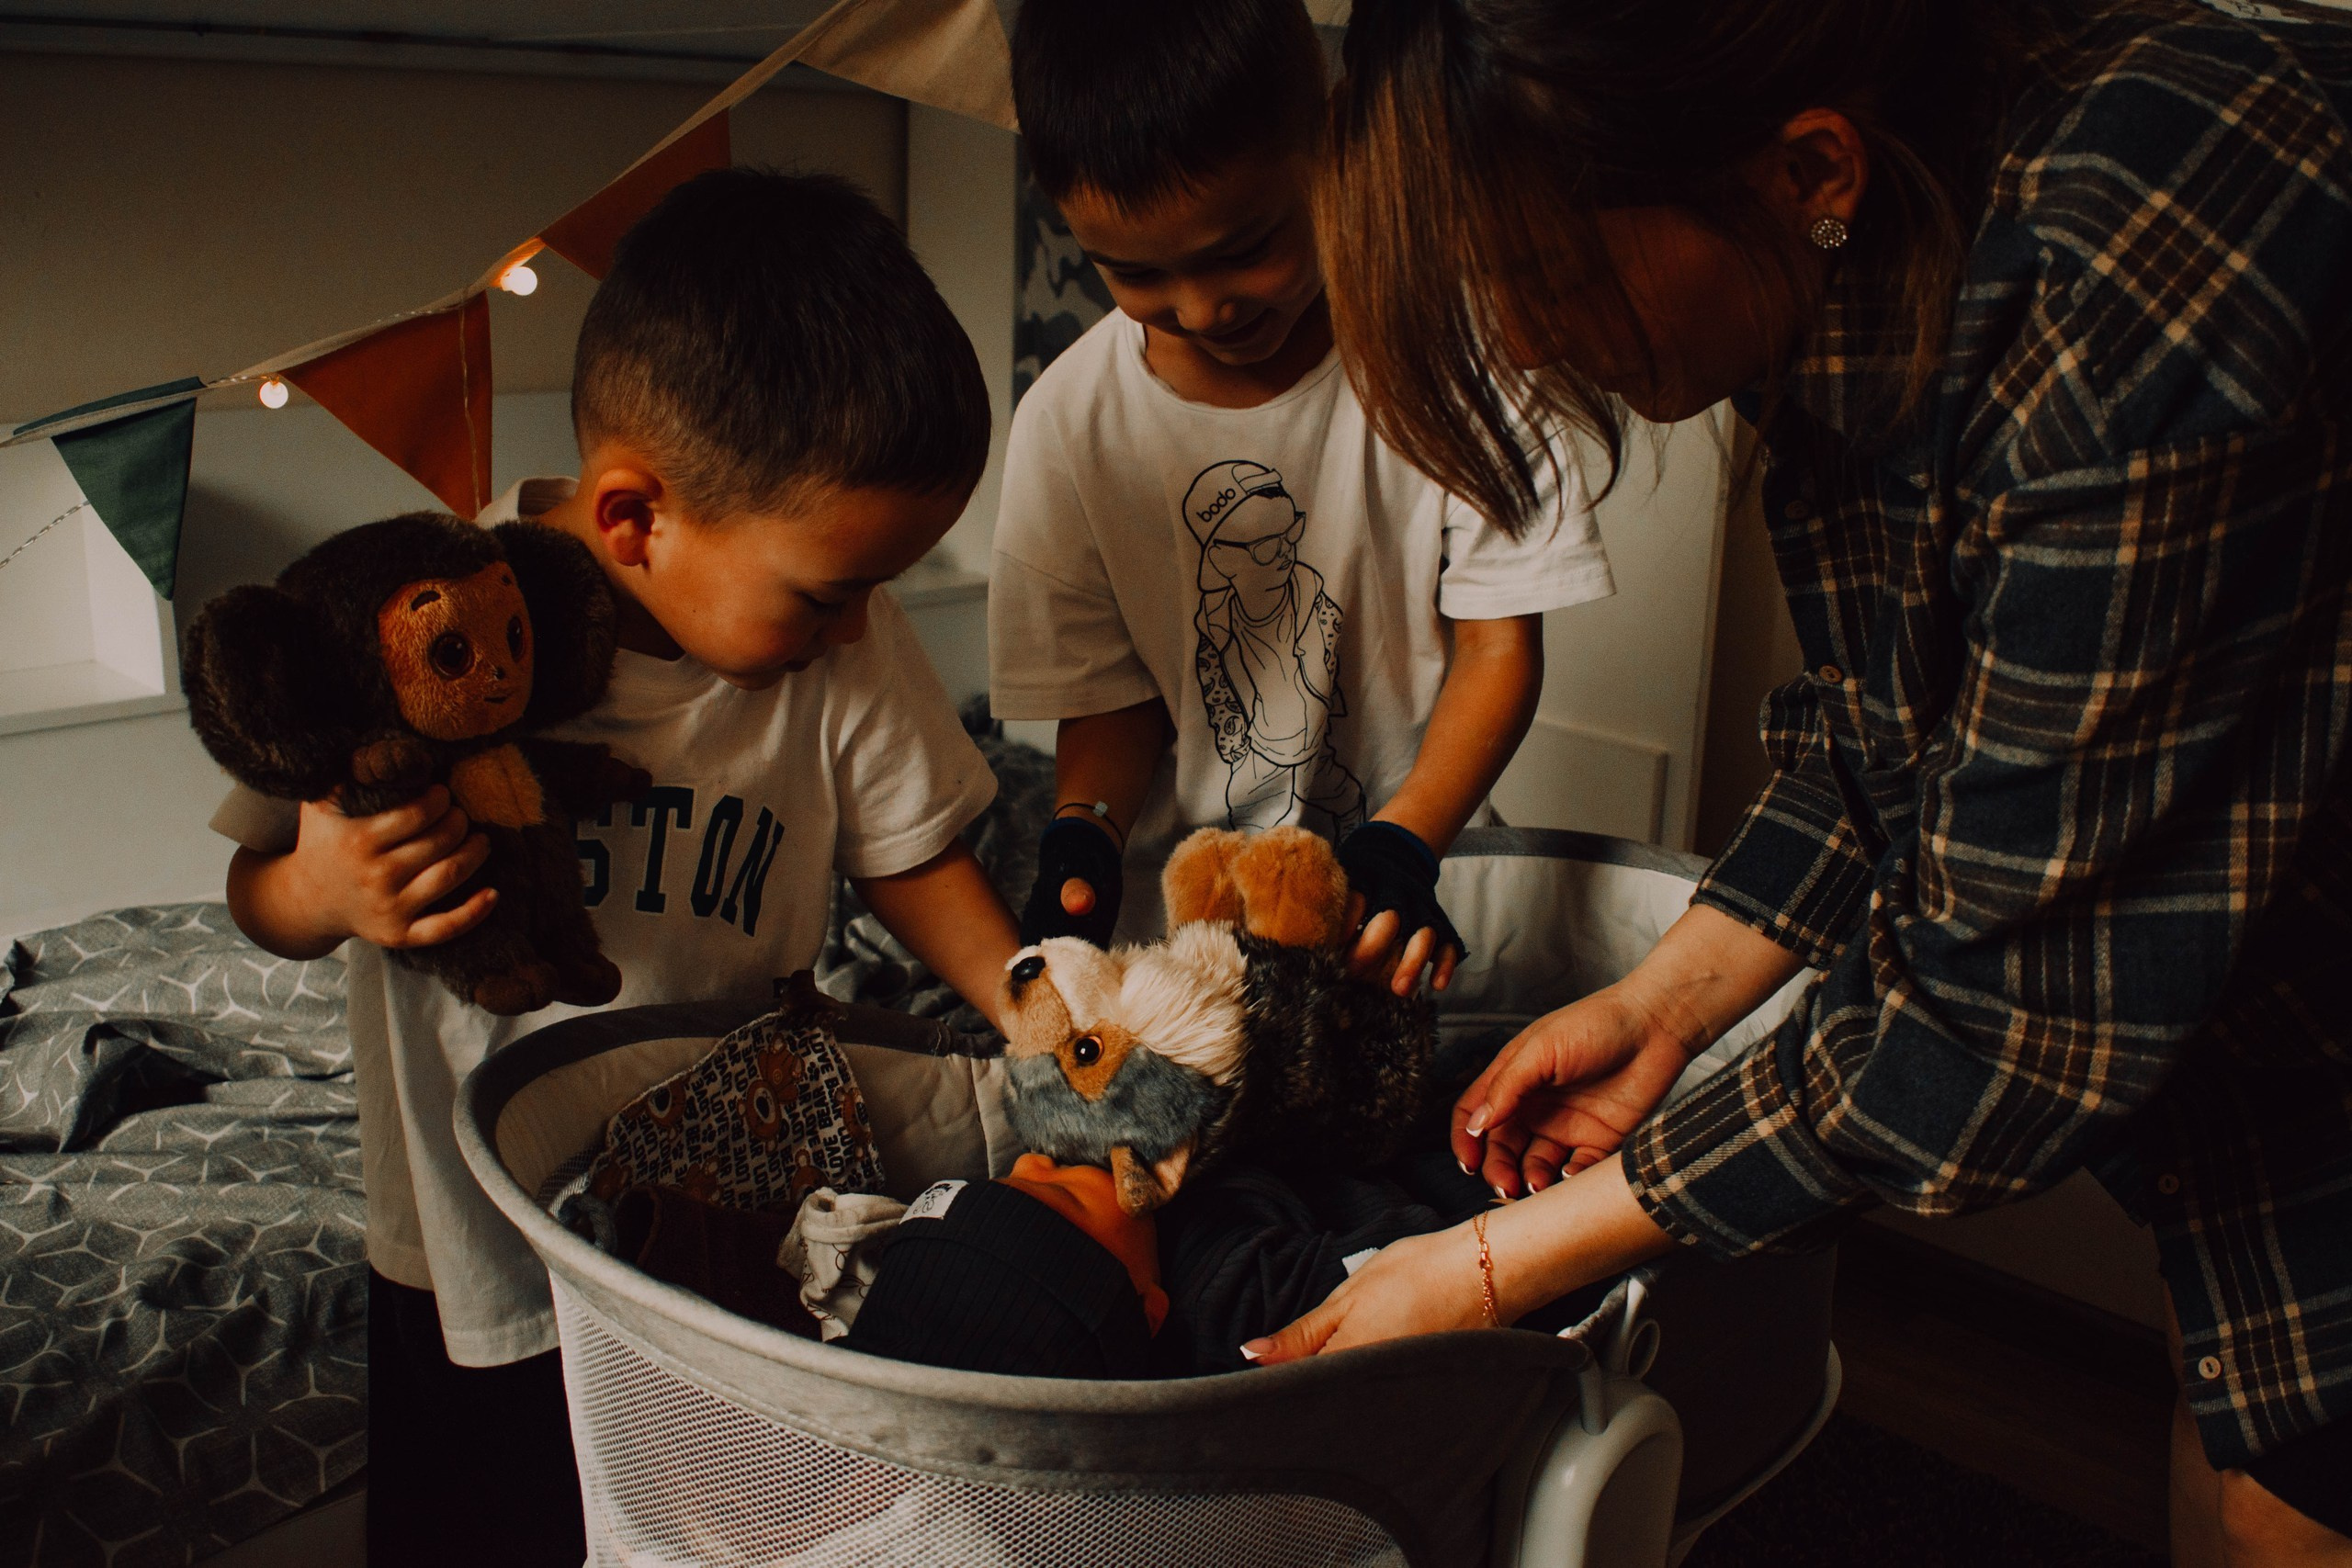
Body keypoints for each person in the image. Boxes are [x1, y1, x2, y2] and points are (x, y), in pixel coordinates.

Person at [1248, 2, 2352, 1562]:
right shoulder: (1844, 248)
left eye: (1547, 281)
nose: (1522, 343)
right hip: (2249, 1020)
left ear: (1806, 167)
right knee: (2241, 1405)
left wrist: (1497, 1266)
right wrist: (1668, 1003)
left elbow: (2000, 1022)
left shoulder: (2138, 275)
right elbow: (1894, 729)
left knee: (2289, 1482)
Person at [212, 169, 1023, 1567]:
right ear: (636, 517)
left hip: (716, 1210)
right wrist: (326, 889)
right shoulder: (436, 622)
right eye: (823, 592)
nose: (851, 629)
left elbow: (914, 853)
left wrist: (1031, 1008)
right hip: (468, 1230)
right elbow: (259, 896)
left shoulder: (848, 646)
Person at [989, 0, 1615, 995]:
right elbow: (1112, 701)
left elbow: (1497, 647)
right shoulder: (1068, 423)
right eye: (1135, 272)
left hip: (1405, 892)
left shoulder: (1464, 353)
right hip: (1186, 927)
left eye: (1244, 247)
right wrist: (1085, 831)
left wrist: (1401, 844)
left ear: (1328, 145)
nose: (1202, 308)